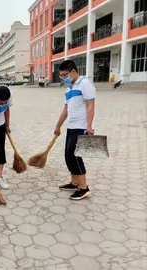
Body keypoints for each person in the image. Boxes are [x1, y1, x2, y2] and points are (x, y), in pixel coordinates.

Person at [54, 60, 95, 200]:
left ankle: (84, 188)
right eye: (62, 76)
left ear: (73, 71)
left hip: (81, 127)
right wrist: (58, 125)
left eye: (65, 75)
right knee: (68, 156)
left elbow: (90, 105)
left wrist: (89, 126)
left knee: (75, 156)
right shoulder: (69, 88)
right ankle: (74, 183)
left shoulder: (85, 84)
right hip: (71, 127)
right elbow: (66, 109)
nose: (64, 78)